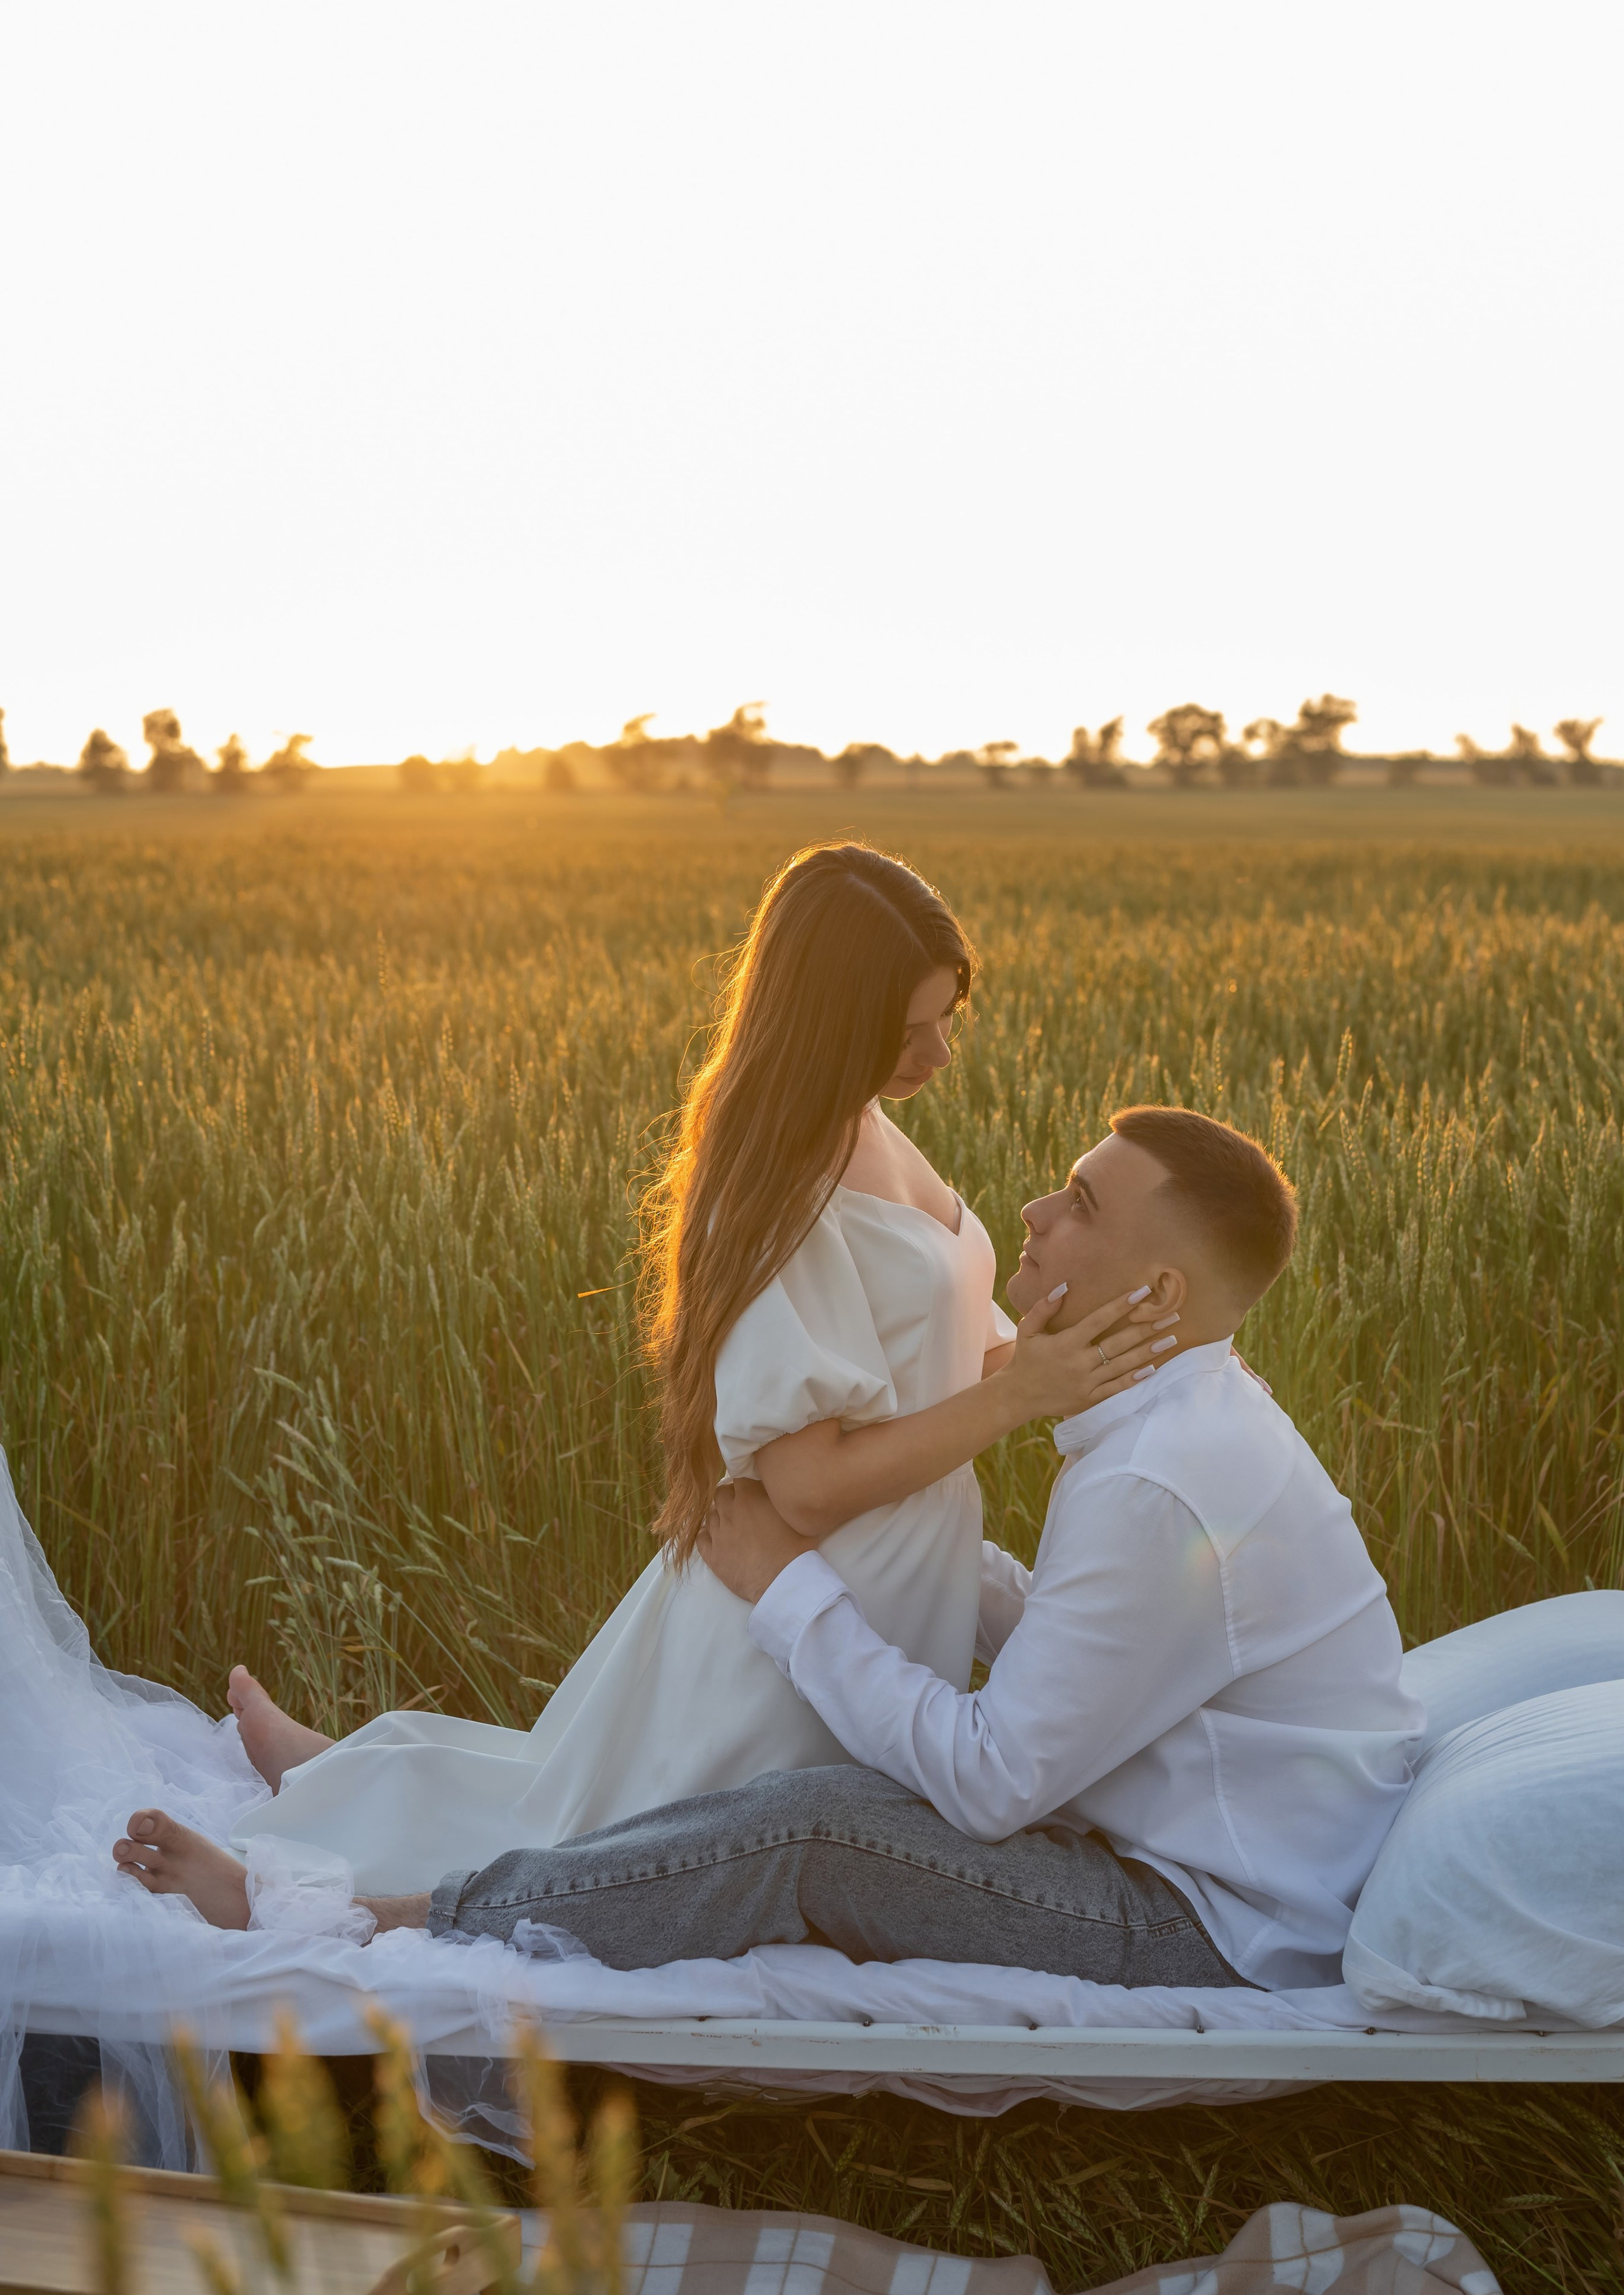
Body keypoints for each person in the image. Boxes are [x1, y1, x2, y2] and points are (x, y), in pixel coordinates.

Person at [116, 1108, 1424, 1996]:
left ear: (1159, 1297)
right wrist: (902, 1549)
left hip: (1204, 1927)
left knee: (813, 1828)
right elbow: (1091, 1654)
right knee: (766, 1763)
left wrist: (787, 1589)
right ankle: (377, 1795)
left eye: (1079, 1202)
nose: (1032, 1210)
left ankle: (346, 1923)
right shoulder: (1172, 1427)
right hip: (1215, 1860)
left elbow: (988, 1783)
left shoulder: (1155, 1481)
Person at [174, 844, 1165, 1896]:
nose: (942, 1051)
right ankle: (329, 1813)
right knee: (608, 1843)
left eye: (946, 1017)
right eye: (910, 1028)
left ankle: (344, 1775)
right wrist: (1019, 1397)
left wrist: (1116, 1356)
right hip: (813, 1587)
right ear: (833, 1021)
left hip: (898, 1572)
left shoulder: (868, 1124)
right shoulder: (782, 1186)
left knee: (581, 1796)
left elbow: (934, 1346)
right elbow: (806, 1483)